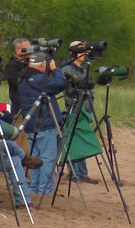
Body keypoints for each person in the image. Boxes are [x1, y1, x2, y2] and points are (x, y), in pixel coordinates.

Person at [18, 51, 67, 202]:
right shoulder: (39, 79)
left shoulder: (22, 79)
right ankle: (44, 191)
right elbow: (61, 84)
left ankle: (34, 189)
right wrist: (54, 69)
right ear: (42, 65)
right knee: (47, 158)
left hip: (30, 125)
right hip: (44, 124)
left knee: (34, 157)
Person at [59, 41, 99, 185]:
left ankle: (81, 173)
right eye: (81, 51)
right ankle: (75, 173)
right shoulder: (67, 69)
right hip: (74, 108)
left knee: (81, 141)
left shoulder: (82, 68)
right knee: (73, 141)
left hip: (86, 108)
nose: (83, 54)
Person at [1, 38, 31, 117]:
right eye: (27, 49)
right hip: (19, 105)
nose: (30, 51)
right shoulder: (11, 65)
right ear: (18, 50)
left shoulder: (29, 63)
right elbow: (16, 82)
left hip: (32, 102)